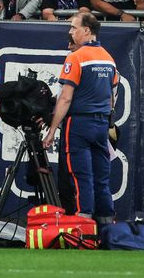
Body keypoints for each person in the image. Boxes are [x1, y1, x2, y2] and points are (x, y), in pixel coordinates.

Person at [42, 12, 117, 224]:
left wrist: (51, 130)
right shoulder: (108, 58)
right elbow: (112, 98)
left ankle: (84, 225)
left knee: (81, 176)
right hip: (101, 123)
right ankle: (106, 226)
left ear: (87, 30)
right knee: (101, 178)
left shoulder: (76, 57)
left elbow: (65, 98)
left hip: (78, 124)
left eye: (74, 28)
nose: (70, 32)